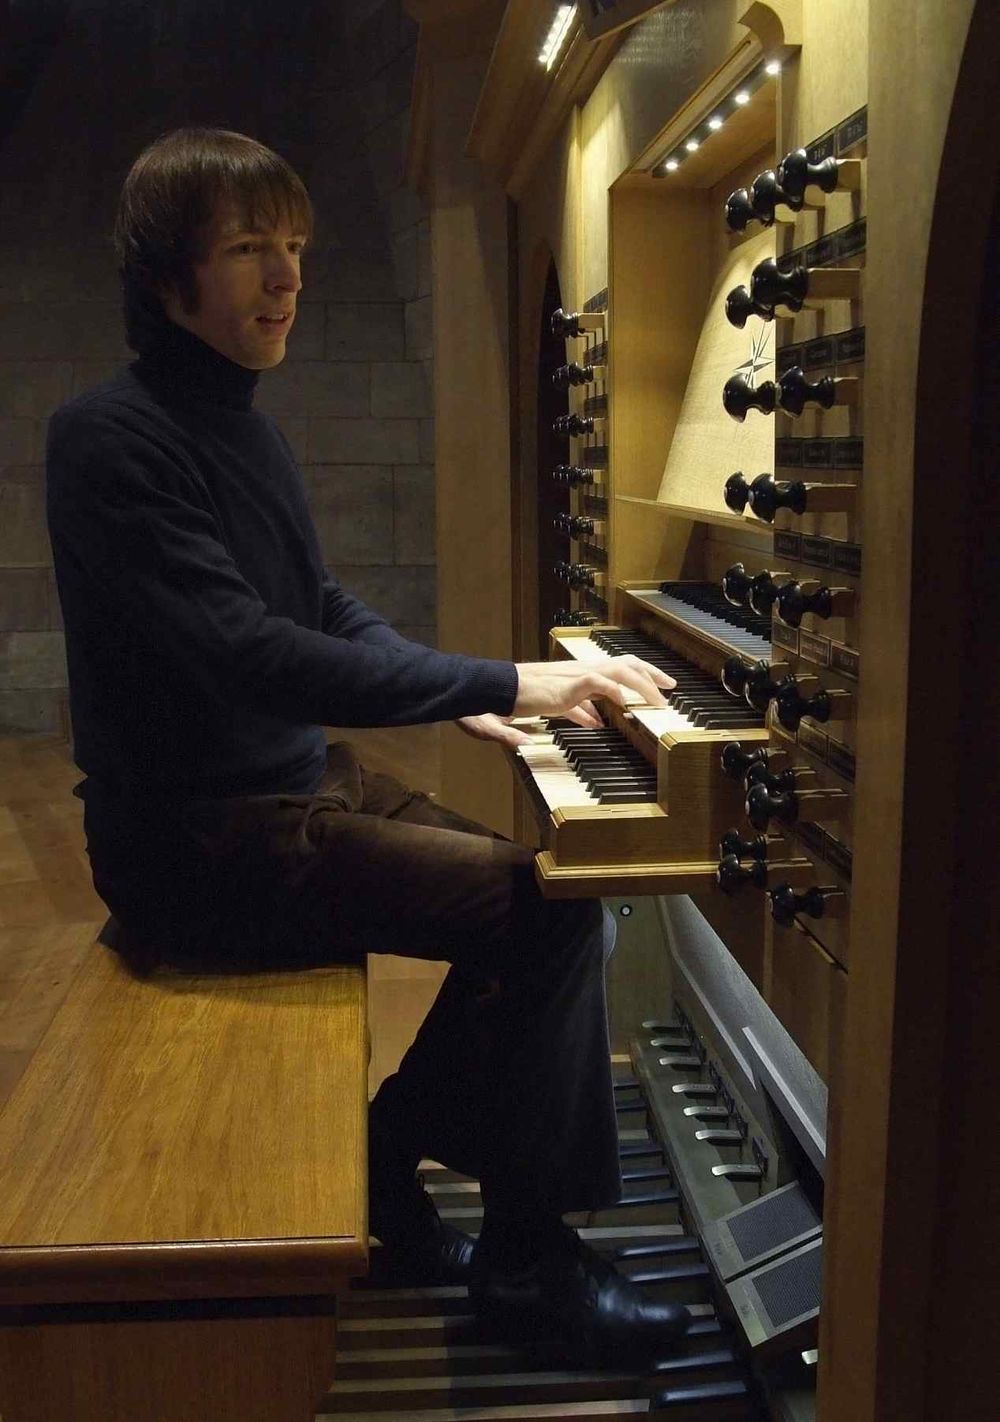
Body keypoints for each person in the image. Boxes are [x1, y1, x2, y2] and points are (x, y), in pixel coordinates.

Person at [44, 127, 689, 1366]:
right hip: (194, 838)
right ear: (168, 275)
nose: (287, 276)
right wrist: (514, 677)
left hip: (289, 788)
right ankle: (524, 1266)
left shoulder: (245, 427)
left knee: (558, 892)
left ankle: (387, 1162)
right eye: (249, 248)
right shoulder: (108, 438)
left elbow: (320, 605)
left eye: (294, 246)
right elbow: (253, 653)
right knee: (547, 920)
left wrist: (466, 695)